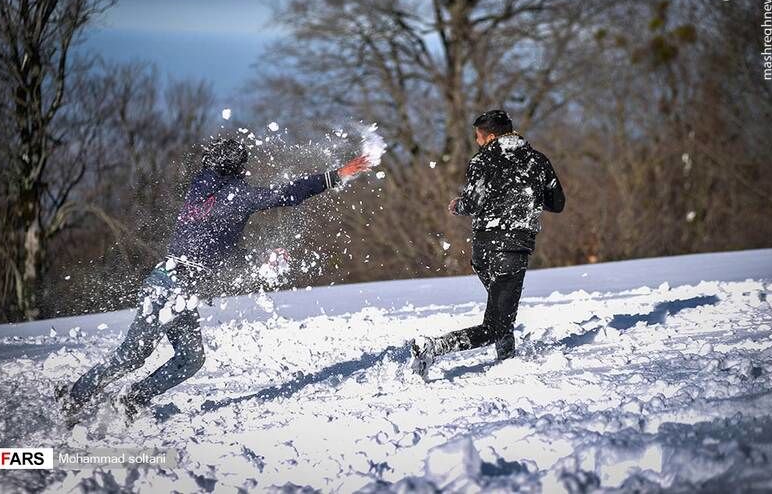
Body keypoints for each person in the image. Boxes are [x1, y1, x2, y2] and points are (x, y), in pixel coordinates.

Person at [57, 135, 371, 421]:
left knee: (191, 358)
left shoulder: (200, 185)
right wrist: (336, 175)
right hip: (169, 287)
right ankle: (73, 397)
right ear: (237, 169)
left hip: (177, 290)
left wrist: (259, 258)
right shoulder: (237, 195)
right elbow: (287, 194)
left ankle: (134, 399)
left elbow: (219, 246)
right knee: (134, 354)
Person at [410, 110, 565, 377]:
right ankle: (433, 347)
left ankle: (507, 359)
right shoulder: (537, 161)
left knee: (500, 310)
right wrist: (530, 194)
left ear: (491, 136)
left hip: (483, 249)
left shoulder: (481, 160)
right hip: (513, 248)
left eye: (478, 137)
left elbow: (472, 203)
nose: (478, 142)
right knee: (496, 324)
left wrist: (457, 205)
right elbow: (557, 203)